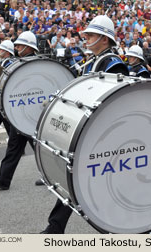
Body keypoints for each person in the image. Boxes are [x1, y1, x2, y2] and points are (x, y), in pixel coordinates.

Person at [41, 15, 129, 234]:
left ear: (104, 39)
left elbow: (113, 102)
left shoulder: (114, 64)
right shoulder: (95, 61)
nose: (86, 38)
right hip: (90, 129)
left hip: (104, 134)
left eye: (91, 35)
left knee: (101, 184)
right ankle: (55, 226)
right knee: (75, 179)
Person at [0, 32, 39, 190]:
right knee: (14, 146)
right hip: (21, 113)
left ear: (28, 47)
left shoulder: (36, 64)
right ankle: (3, 179)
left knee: (39, 147)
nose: (17, 47)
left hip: (34, 115)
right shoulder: (19, 62)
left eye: (20, 45)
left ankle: (52, 175)